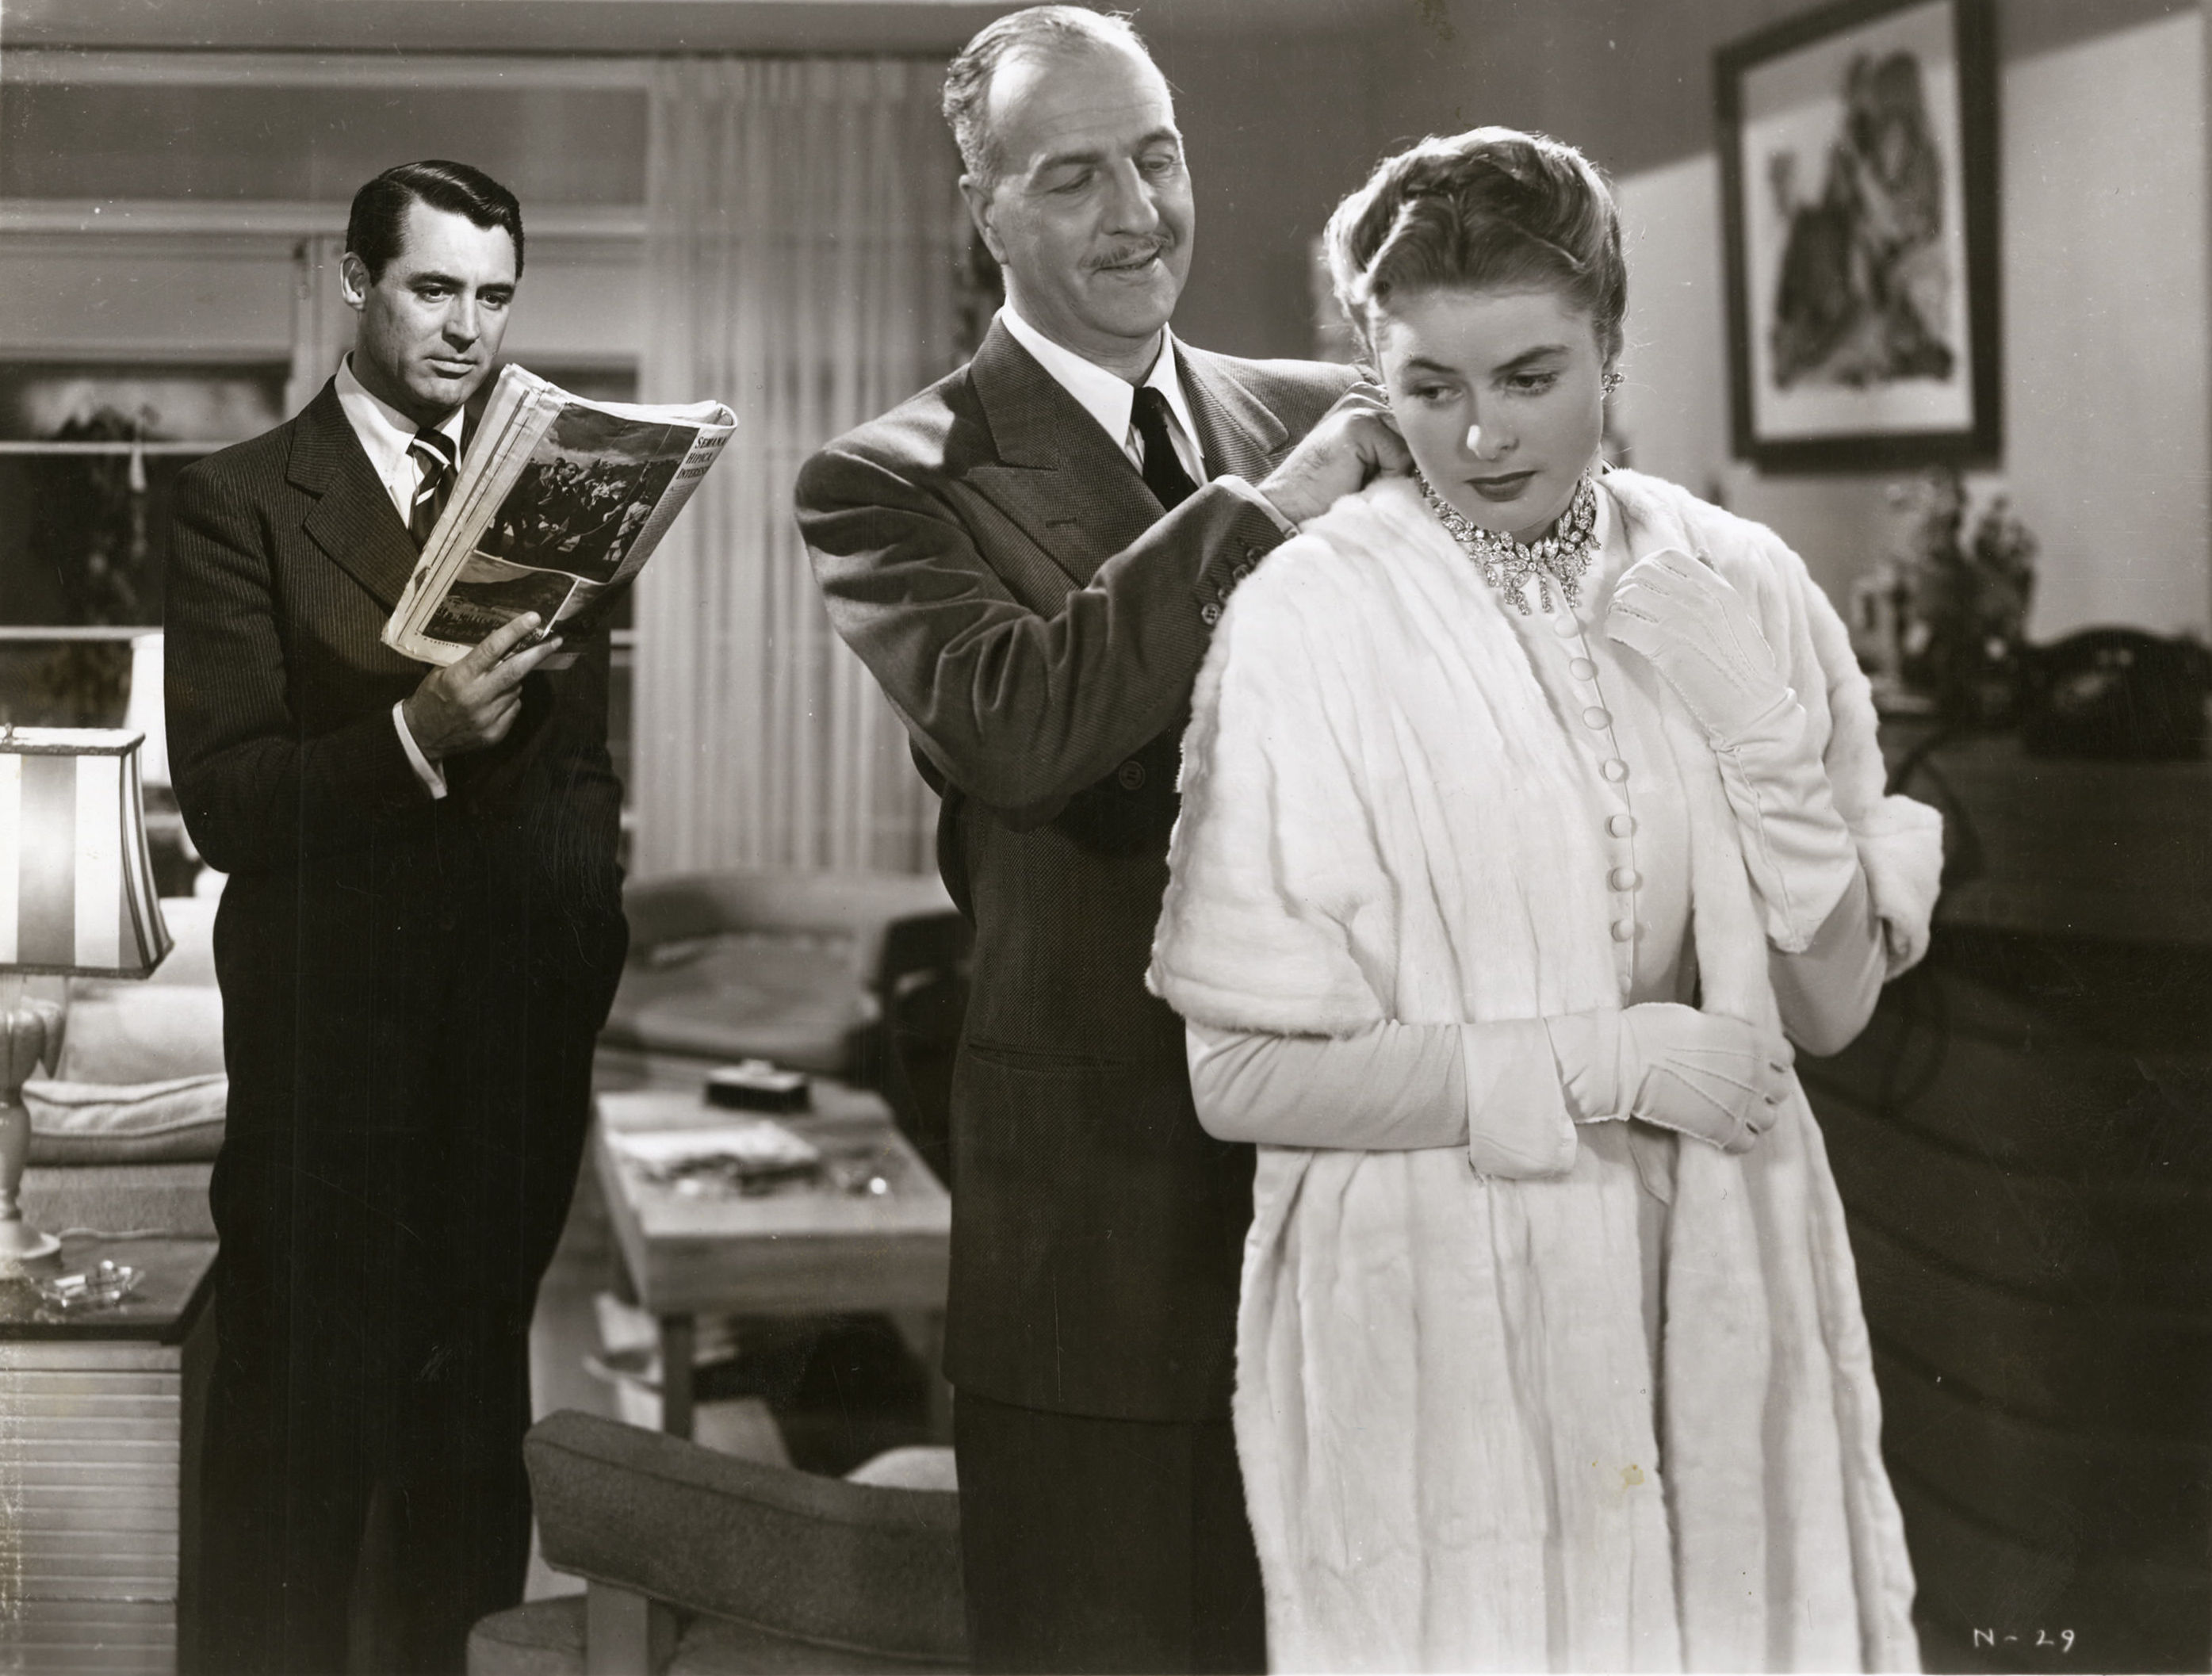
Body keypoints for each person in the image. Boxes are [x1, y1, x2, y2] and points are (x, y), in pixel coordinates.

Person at [1147, 127, 1946, 1672]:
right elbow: (1235, 1073)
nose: (1480, 436)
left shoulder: (1742, 576)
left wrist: (1761, 735)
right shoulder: (1308, 618)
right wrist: (1602, 1060)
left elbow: (1835, 1008)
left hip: (1717, 1286)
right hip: (1436, 1304)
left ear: (1611, 351)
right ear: (1373, 380)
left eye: (1530, 376)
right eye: (1426, 388)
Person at [795, 9, 1403, 1670]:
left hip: (1356, 1193)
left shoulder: (1331, 410)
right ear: (984, 209)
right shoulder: (886, 481)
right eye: (1073, 178)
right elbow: (1019, 723)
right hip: (1095, 1236)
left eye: (1158, 156)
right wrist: (1264, 515)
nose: (1139, 213)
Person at [166, 159, 628, 1674]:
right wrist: (414, 738)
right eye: (435, 288)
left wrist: (585, 941)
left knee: (466, 1476)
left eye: (495, 296)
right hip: (330, 1075)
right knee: (290, 1486)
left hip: (506, 1078)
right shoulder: (239, 500)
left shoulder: (548, 495)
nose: (467, 328)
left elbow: (575, 781)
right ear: (355, 283)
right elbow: (228, 803)